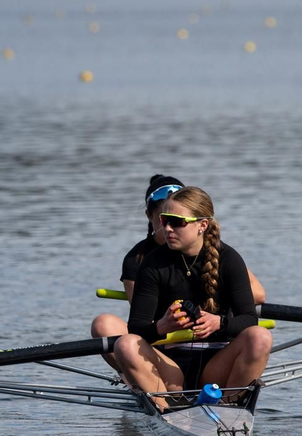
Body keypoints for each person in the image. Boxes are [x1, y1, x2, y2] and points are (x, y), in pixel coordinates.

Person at [92, 186, 272, 408]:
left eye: (176, 222)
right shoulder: (152, 264)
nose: (166, 229)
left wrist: (220, 323)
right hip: (170, 368)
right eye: (164, 220)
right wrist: (162, 326)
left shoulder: (230, 260)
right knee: (126, 344)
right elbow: (136, 326)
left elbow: (248, 319)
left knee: (260, 337)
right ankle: (165, 408)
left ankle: (228, 408)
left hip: (217, 366)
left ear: (202, 225)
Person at [121, 174, 265, 304]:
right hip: (165, 328)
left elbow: (258, 294)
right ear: (149, 215)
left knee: (258, 334)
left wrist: (215, 311)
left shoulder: (219, 252)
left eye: (177, 221)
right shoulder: (137, 260)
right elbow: (143, 315)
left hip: (212, 325)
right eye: (164, 219)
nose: (169, 228)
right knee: (104, 322)